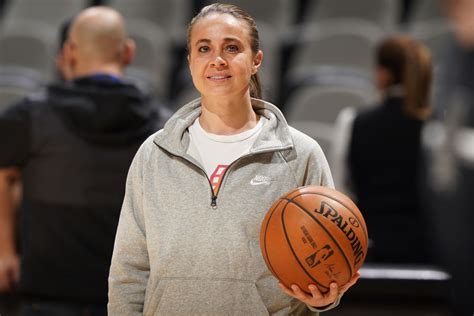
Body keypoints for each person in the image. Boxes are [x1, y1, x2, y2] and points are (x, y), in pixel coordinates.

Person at [108, 3, 359, 315]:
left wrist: (323, 297)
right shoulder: (154, 153)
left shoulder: (300, 153)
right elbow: (128, 272)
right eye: (204, 48)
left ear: (255, 61)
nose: (217, 60)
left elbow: (324, 267)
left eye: (231, 47)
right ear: (189, 62)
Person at [0, 6, 170, 315]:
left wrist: (4, 252)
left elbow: (3, 172)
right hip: (127, 300)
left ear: (68, 51)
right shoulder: (163, 127)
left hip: (44, 297)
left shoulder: (32, 116)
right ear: (128, 52)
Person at [331, 35, 433, 264]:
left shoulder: (352, 121)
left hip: (368, 250)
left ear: (383, 74)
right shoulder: (434, 125)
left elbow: (341, 194)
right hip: (428, 252)